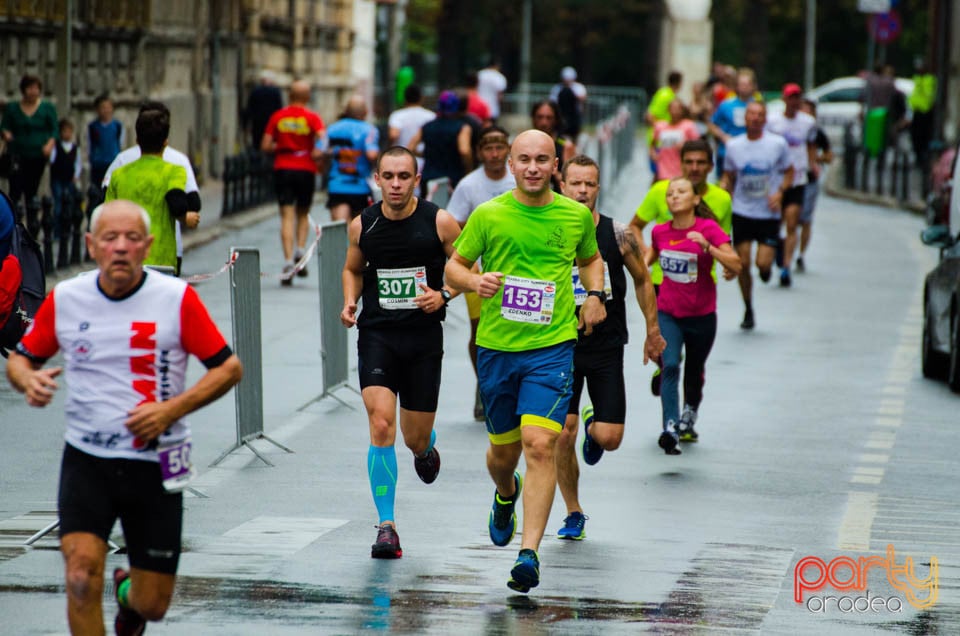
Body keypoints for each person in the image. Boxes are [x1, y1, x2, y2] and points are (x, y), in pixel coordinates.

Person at [5, 199, 242, 636]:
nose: (120, 248)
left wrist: (170, 410)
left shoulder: (175, 299)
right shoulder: (67, 298)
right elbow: (20, 360)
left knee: (153, 604)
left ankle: (127, 592)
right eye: (110, 238)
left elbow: (229, 368)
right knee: (79, 578)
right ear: (91, 245)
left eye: (132, 239)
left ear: (148, 246)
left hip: (156, 462)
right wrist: (27, 382)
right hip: (86, 460)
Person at [444, 129, 607, 593]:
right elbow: (453, 267)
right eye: (524, 159)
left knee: (541, 445)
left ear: (556, 165)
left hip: (553, 348)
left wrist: (594, 294)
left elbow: (591, 259)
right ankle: (504, 492)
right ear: (511, 165)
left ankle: (528, 553)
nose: (533, 167)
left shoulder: (575, 215)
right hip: (497, 350)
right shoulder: (488, 214)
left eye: (542, 159)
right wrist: (473, 283)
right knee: (502, 454)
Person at [340, 146, 462, 559]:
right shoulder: (364, 224)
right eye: (388, 176)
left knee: (413, 438)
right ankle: (387, 527)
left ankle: (425, 449)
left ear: (416, 180)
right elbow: (353, 268)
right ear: (377, 178)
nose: (395, 184)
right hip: (378, 335)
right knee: (380, 425)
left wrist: (443, 294)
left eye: (403, 177)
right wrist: (349, 302)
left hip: (424, 340)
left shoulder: (438, 221)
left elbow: (467, 269)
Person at [554, 155, 664, 539]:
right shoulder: (546, 231)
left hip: (606, 347)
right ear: (561, 185)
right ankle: (573, 512)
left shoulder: (619, 234)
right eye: (576, 184)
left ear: (598, 187)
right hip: (559, 346)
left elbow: (643, 281)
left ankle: (592, 424)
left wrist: (653, 331)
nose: (583, 191)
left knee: (610, 438)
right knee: (559, 434)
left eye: (590, 184)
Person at [631, 139, 734, 395]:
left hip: (700, 283)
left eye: (701, 163)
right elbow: (635, 225)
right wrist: (648, 256)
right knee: (662, 343)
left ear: (710, 166)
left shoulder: (721, 199)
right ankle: (666, 366)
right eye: (689, 162)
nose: (694, 168)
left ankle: (681, 390)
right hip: (659, 281)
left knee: (692, 354)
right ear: (681, 164)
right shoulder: (660, 191)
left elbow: (724, 240)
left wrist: (726, 263)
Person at [646, 177, 741, 454]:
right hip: (669, 313)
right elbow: (644, 265)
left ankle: (690, 413)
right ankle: (671, 428)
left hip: (702, 316)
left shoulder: (707, 229)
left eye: (681, 192)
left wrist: (708, 248)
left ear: (696, 199)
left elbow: (736, 263)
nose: (674, 196)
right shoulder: (660, 232)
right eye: (670, 193)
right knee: (671, 365)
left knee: (694, 370)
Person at [446, 126, 516, 421]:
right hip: (478, 272)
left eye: (500, 146)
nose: (495, 153)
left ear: (508, 149)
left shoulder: (519, 180)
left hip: (515, 272)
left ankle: (510, 387)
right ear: (479, 152)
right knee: (480, 332)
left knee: (514, 328)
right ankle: (485, 385)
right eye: (488, 147)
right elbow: (452, 229)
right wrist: (467, 266)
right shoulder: (468, 185)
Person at [103, 101, 201, 278]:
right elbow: (177, 203)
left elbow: (105, 213)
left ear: (137, 140)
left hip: (124, 258)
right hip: (161, 259)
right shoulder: (174, 170)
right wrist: (186, 217)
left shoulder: (119, 173)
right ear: (165, 142)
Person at [721, 102, 793, 330]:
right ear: (746, 118)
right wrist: (724, 193)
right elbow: (729, 175)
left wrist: (780, 192)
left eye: (760, 115)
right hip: (742, 211)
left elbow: (790, 170)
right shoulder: (734, 146)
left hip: (768, 213)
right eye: (752, 114)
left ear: (765, 119)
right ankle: (748, 308)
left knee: (762, 265)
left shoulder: (777, 144)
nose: (755, 118)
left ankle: (768, 266)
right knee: (742, 264)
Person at [261, 80, 325, 284]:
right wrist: (316, 151)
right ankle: (300, 250)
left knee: (286, 215)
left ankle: (288, 260)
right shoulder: (312, 117)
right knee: (303, 213)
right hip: (306, 168)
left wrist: (280, 147)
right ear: (307, 97)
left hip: (283, 168)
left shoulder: (278, 117)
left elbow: (265, 145)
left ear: (289, 95)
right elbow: (324, 139)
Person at [764, 83, 817, 288]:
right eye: (790, 98)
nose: (794, 102)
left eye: (797, 98)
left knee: (793, 221)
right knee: (776, 223)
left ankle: (786, 265)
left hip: (797, 179)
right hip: (776, 180)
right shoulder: (773, 121)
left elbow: (812, 145)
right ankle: (777, 248)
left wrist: (811, 165)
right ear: (784, 99)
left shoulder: (808, 122)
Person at [1, 74, 58, 216]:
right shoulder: (13, 108)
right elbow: (4, 126)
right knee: (15, 189)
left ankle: (31, 220)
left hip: (37, 155)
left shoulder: (47, 108)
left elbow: (54, 130)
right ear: (23, 90)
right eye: (30, 88)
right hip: (17, 155)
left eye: (36, 88)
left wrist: (49, 145)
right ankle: (13, 219)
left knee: (31, 189)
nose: (33, 91)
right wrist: (6, 134)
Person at [322, 95, 380, 221]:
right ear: (365, 112)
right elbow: (372, 154)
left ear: (346, 111)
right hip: (361, 186)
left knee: (341, 232)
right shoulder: (369, 130)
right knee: (359, 232)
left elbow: (317, 152)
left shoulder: (332, 128)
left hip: (337, 185)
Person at [408, 91, 472, 198]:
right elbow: (464, 151)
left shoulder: (427, 126)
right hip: (452, 178)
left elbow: (410, 147)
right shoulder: (462, 127)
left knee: (428, 212)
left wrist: (425, 154)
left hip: (428, 177)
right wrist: (468, 170)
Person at [796, 99, 833, 273]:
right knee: (788, 218)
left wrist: (815, 160)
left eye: (808, 112)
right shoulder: (790, 129)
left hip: (809, 179)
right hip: (791, 179)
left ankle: (800, 255)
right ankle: (785, 250)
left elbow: (829, 156)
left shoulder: (816, 132)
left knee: (805, 219)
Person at [709, 68, 758, 178]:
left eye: (748, 84)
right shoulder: (726, 105)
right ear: (736, 86)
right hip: (727, 152)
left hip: (750, 154)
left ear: (753, 86)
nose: (745, 87)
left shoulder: (757, 106)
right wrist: (723, 137)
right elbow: (712, 124)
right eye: (742, 84)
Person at [86, 94, 124, 209]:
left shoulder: (117, 126)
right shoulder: (92, 127)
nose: (106, 110)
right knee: (97, 194)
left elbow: (121, 144)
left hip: (113, 164)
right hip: (98, 165)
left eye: (108, 107)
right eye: (103, 107)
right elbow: (88, 145)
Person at [388, 84, 436, 173]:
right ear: (421, 98)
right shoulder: (431, 116)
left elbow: (393, 135)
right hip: (423, 161)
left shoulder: (397, 115)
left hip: (400, 160)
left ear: (405, 98)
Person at [531, 99, 576, 192]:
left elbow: (571, 183)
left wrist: (554, 173)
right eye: (540, 117)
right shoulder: (525, 142)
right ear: (533, 118)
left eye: (549, 118)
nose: (544, 123)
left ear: (556, 120)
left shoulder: (565, 145)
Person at [650, 99, 701, 180]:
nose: (675, 111)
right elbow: (652, 144)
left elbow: (699, 146)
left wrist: (686, 145)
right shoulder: (660, 126)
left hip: (681, 169)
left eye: (678, 108)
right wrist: (653, 153)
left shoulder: (689, 125)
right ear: (668, 110)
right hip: (664, 167)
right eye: (673, 108)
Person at [49, 118, 83, 239]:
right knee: (58, 205)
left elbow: (78, 164)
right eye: (64, 131)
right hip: (58, 179)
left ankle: (68, 229)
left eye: (69, 132)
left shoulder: (75, 148)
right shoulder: (56, 146)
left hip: (69, 179)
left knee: (70, 204)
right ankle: (57, 231)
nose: (67, 134)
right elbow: (51, 161)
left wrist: (76, 176)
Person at [646, 71, 682, 176]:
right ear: (679, 83)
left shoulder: (665, 93)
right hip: (660, 142)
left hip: (665, 140)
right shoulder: (666, 96)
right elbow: (650, 115)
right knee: (659, 173)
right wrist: (661, 131)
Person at [243, 69, 284, 151]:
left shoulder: (255, 91)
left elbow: (249, 109)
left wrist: (245, 125)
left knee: (257, 145)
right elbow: (279, 109)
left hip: (257, 124)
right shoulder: (276, 92)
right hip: (271, 123)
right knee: (270, 144)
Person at [909, 59, 937, 171]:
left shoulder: (930, 79)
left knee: (924, 137)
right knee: (915, 137)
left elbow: (930, 95)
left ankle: (923, 159)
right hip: (916, 112)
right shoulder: (916, 79)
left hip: (926, 113)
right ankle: (918, 158)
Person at [551, 67, 587, 140]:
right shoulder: (557, 88)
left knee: (574, 136)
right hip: (561, 116)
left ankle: (573, 147)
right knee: (561, 137)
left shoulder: (578, 87)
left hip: (574, 117)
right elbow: (552, 101)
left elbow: (583, 98)